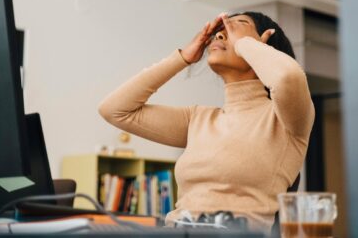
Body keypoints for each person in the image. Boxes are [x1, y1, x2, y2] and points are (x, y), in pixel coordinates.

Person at [98, 12, 315, 233]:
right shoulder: (198, 119)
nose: (220, 34)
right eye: (219, 31)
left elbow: (288, 77)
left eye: (237, 26)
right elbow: (114, 110)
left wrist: (245, 45)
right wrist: (182, 58)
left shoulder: (286, 119)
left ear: (263, 44)